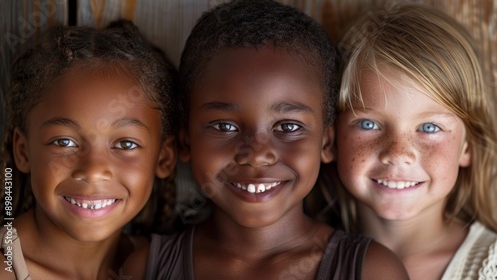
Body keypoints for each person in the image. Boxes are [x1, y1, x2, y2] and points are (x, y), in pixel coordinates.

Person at [124, 1, 409, 279]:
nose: (257, 153)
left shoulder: (371, 270)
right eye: (224, 126)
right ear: (185, 141)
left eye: (288, 126)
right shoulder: (146, 269)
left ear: (326, 143)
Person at [0, 20, 177, 279]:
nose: (93, 171)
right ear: (23, 152)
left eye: (125, 144)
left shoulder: (162, 265)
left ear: (164, 158)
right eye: (64, 142)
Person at [330, 2, 497, 279]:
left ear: (467, 146)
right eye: (369, 124)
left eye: (429, 127)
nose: (398, 153)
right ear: (331, 139)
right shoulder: (307, 263)